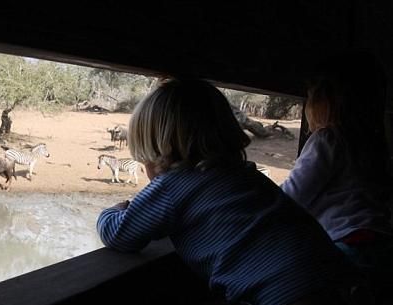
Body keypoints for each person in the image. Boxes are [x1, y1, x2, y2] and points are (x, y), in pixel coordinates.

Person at [97, 78, 365, 305]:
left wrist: (115, 210)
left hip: (282, 294)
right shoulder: (247, 174)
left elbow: (120, 234)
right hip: (337, 275)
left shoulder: (172, 186)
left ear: (157, 154)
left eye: (144, 158)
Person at [280, 51, 393, 301]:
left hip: (347, 244)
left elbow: (291, 197)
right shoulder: (373, 144)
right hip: (380, 244)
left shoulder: (328, 138)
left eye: (310, 96)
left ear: (325, 99)